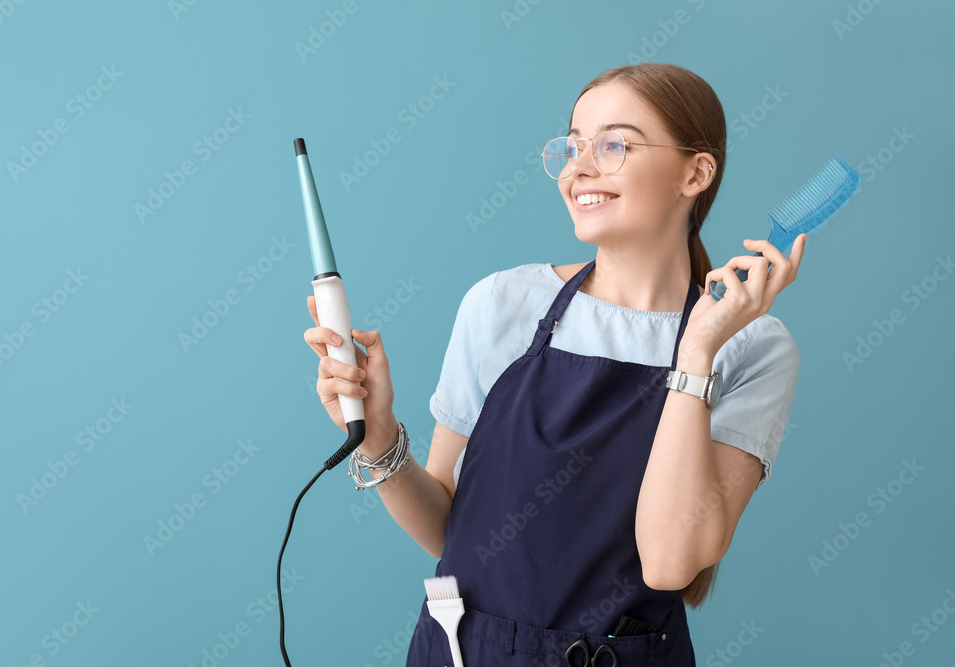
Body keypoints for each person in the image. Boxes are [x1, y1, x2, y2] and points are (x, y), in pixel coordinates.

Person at [304, 62, 805, 666]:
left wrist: (697, 351)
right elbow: (450, 529)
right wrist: (378, 435)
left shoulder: (751, 346)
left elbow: (670, 562)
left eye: (614, 144)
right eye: (573, 147)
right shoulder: (503, 304)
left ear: (696, 172)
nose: (579, 168)